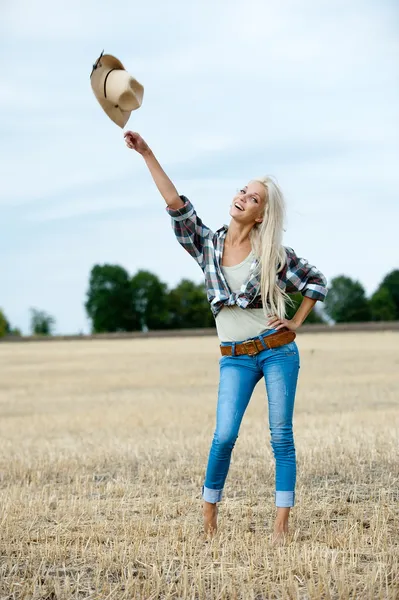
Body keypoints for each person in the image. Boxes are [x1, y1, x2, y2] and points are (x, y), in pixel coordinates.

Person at [124, 131, 328, 544]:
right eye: (243, 191)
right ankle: (209, 521)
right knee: (224, 436)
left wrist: (297, 322)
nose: (243, 198)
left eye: (254, 199)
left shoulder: (273, 253)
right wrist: (147, 153)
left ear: (260, 216)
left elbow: (316, 281)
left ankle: (281, 527)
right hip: (233, 357)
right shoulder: (209, 245)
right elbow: (176, 205)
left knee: (280, 436)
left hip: (276, 354)